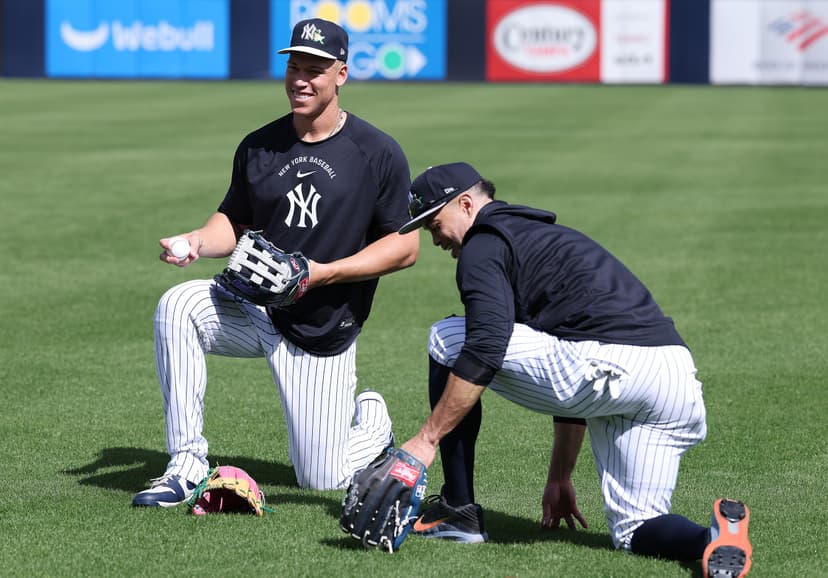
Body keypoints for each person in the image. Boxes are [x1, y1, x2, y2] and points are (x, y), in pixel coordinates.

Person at [395, 162, 752, 577]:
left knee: (448, 338)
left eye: (434, 223)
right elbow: (567, 348)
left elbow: (488, 345)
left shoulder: (483, 245)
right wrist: (560, 476)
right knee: (635, 529)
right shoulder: (542, 237)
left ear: (466, 203)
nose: (434, 238)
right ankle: (713, 538)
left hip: (608, 365)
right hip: (672, 376)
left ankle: (458, 511)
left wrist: (427, 439)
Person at [132, 18, 419, 506]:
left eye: (315, 69)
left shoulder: (377, 152)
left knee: (321, 478)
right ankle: (184, 466)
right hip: (250, 306)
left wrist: (321, 273)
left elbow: (404, 247)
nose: (301, 80)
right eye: (294, 68)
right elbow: (234, 221)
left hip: (318, 325)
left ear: (341, 75)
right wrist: (196, 241)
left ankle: (371, 421)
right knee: (177, 306)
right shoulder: (259, 145)